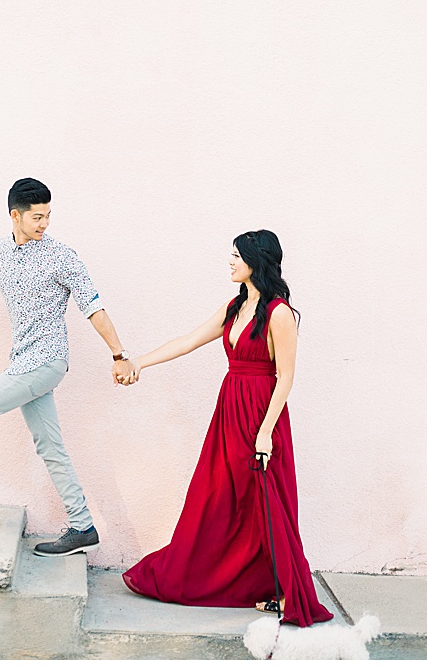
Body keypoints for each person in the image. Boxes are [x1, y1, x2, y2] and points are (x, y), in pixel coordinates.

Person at [120, 230, 334, 628]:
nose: (230, 262)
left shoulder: (279, 312)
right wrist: (138, 363)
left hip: (261, 415)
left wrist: (266, 432)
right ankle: (247, 584)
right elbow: (188, 341)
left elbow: (286, 377)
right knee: (219, 496)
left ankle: (288, 593)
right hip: (229, 412)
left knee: (270, 502)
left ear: (257, 260)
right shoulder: (234, 307)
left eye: (237, 256)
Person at [0, 178, 136, 556]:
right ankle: (82, 525)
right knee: (51, 446)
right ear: (15, 215)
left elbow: (93, 307)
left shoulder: (63, 256)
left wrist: (119, 354)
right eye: (37, 216)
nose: (44, 223)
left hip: (47, 359)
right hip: (23, 360)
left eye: (48, 215)